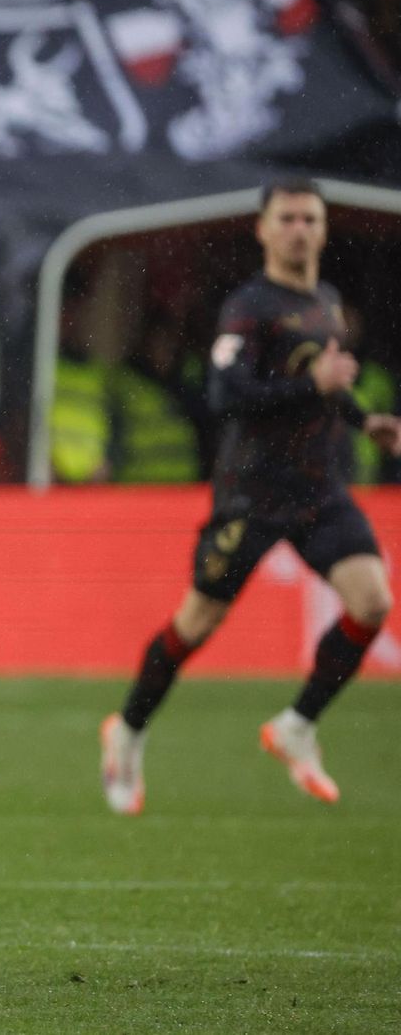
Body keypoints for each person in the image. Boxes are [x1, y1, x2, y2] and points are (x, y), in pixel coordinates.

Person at [101, 178, 401, 814]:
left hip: (319, 486)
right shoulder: (248, 307)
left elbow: (323, 381)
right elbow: (227, 396)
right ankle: (127, 729)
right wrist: (314, 386)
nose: (299, 229)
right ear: (263, 229)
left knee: (372, 601)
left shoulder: (326, 299)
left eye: (310, 219)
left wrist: (362, 418)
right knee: (195, 625)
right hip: (253, 495)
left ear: (323, 230)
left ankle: (297, 726)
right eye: (287, 218)